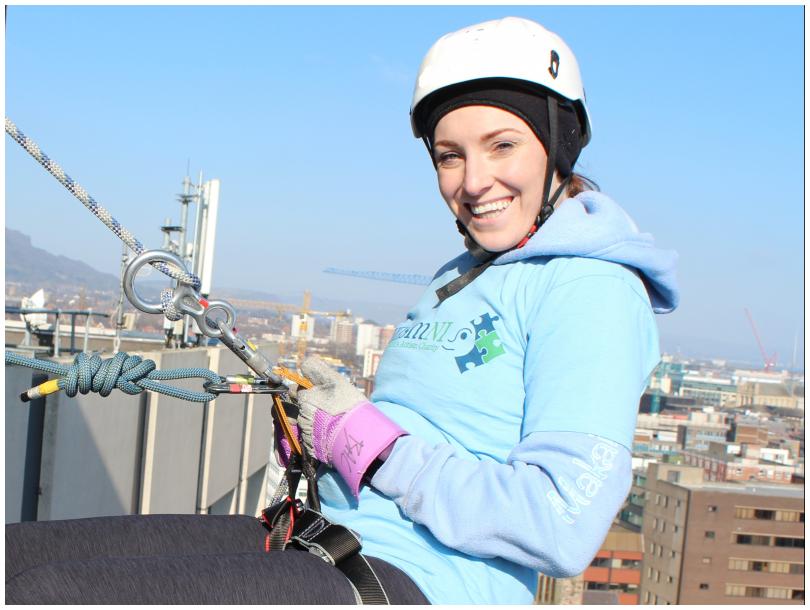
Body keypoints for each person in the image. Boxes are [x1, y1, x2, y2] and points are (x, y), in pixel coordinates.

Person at [5, 16, 678, 605]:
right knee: (14, 564)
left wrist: (375, 450)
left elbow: (560, 522)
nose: (474, 182)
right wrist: (320, 439)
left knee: (48, 597)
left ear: (557, 144)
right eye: (450, 156)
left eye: (502, 144)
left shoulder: (591, 289)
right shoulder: (461, 276)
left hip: (419, 585)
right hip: (315, 538)